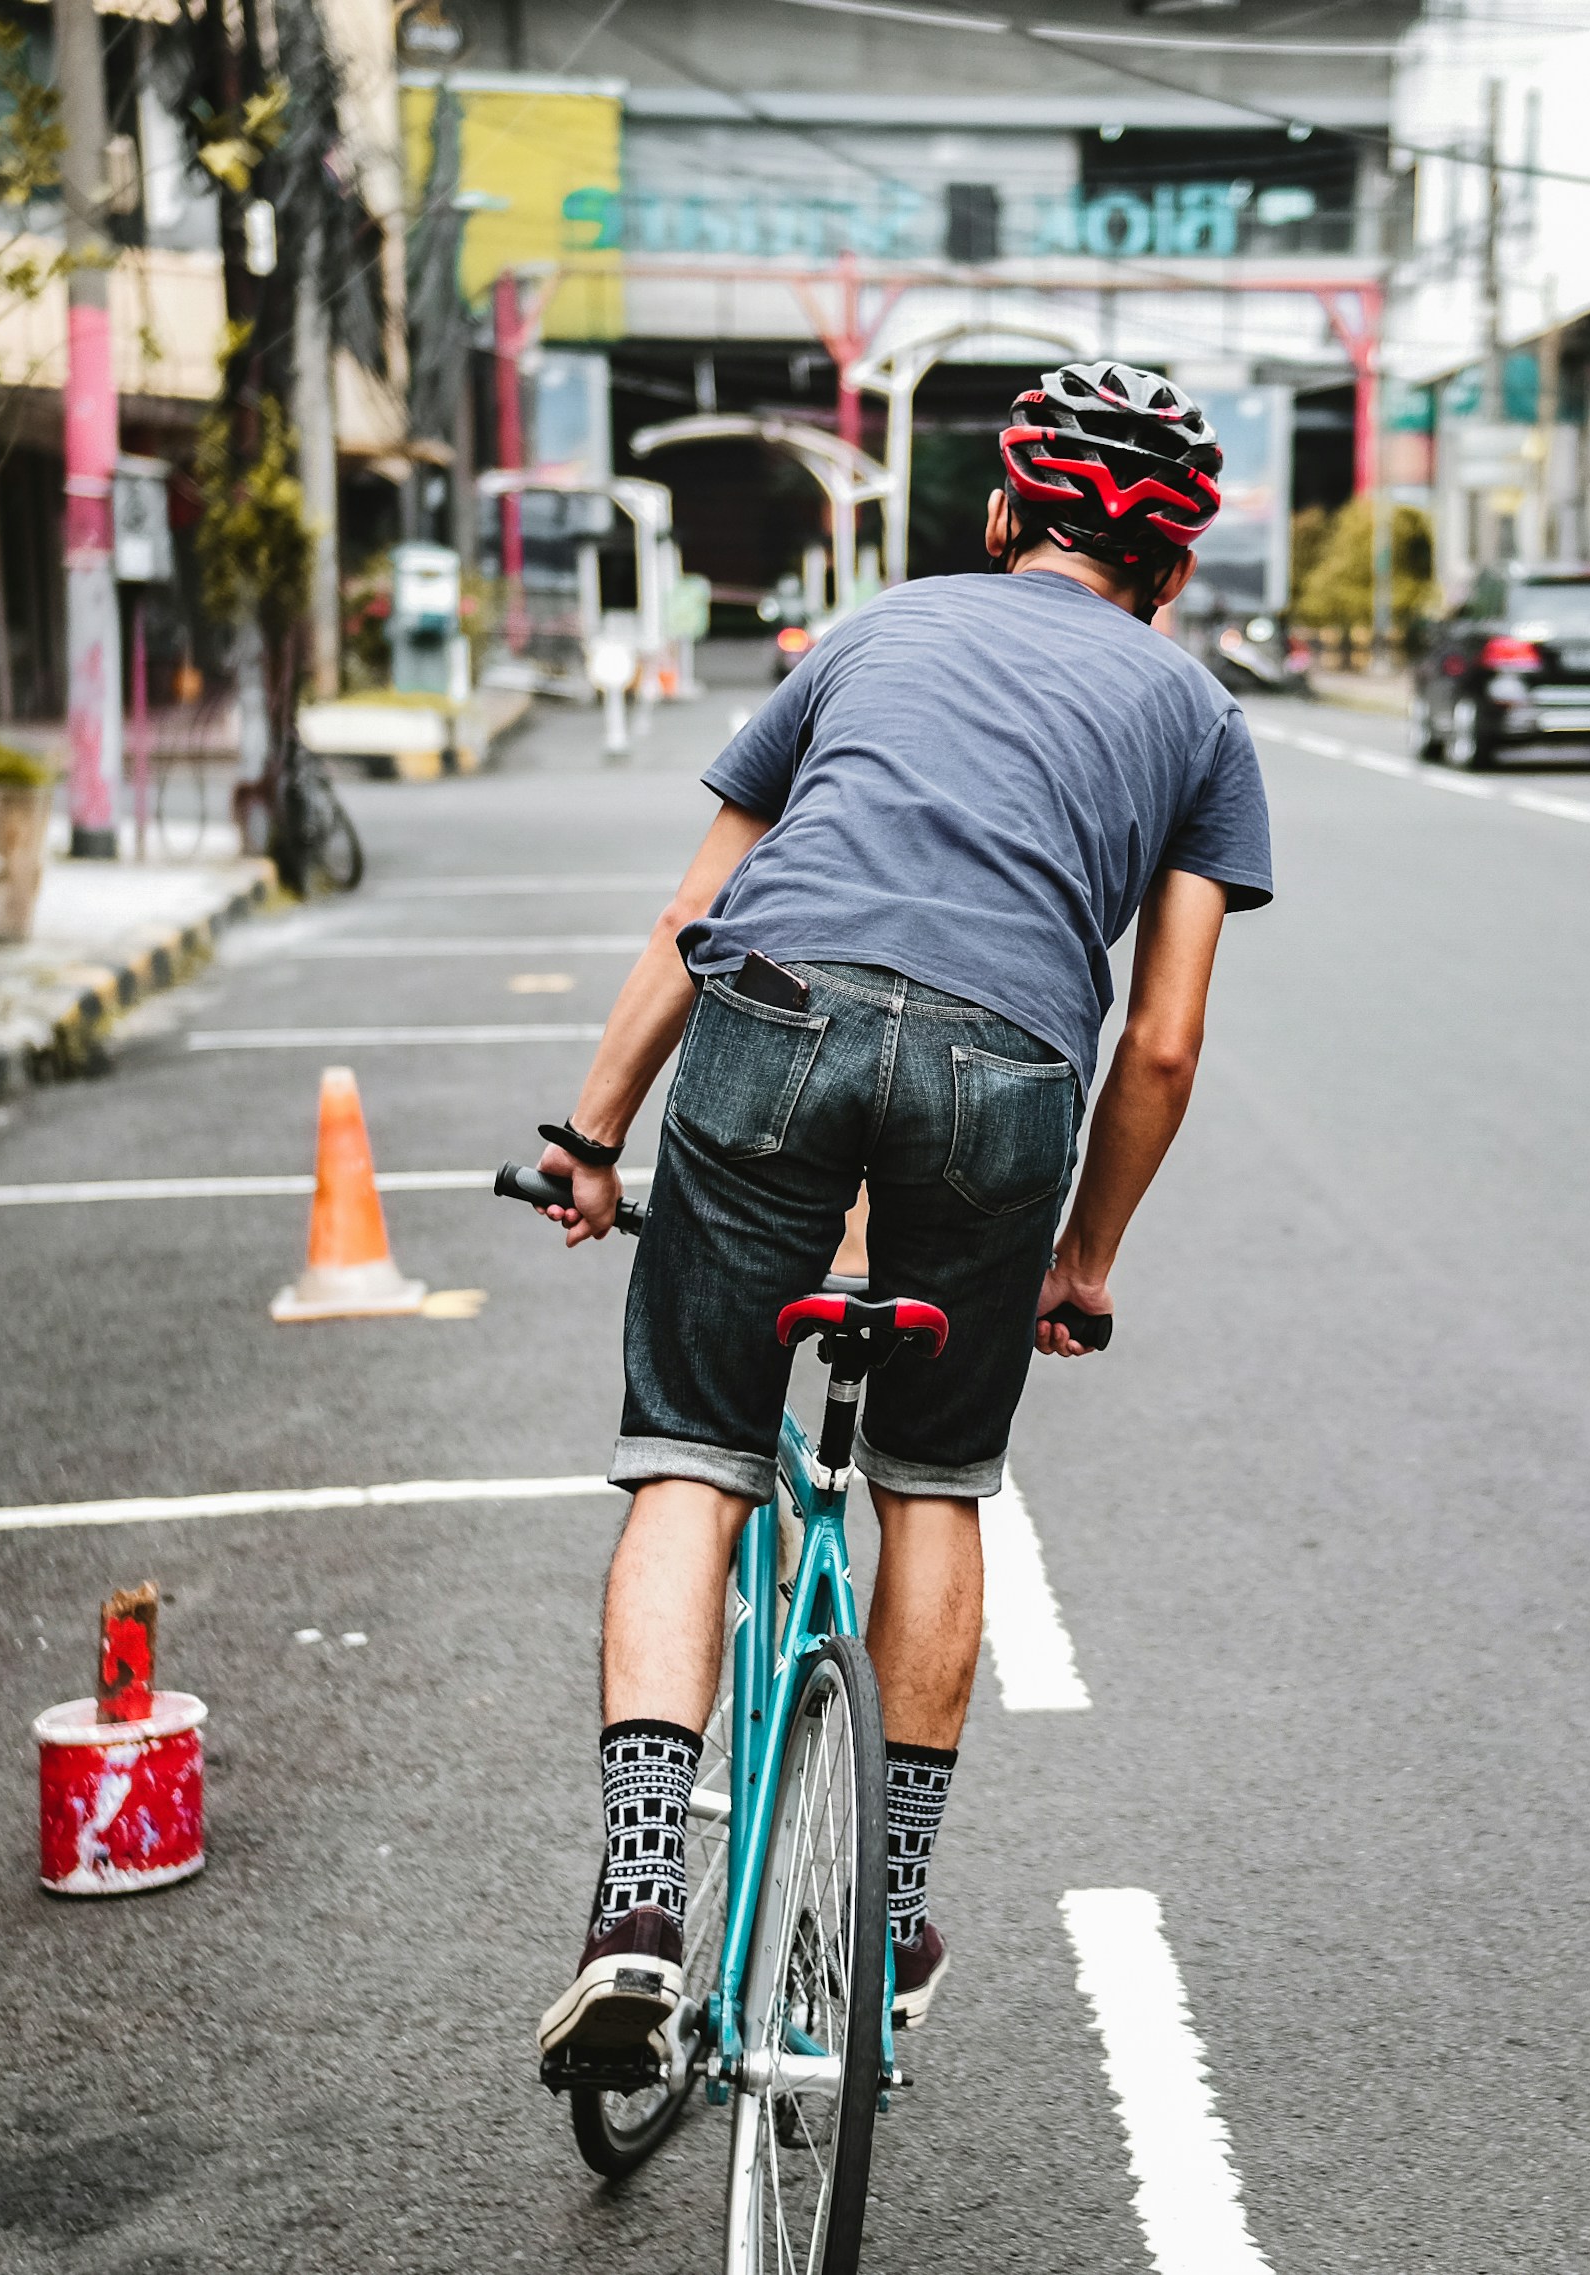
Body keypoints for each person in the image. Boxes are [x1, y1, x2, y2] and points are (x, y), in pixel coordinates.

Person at [528, 362, 1273, 2079]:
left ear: (1003, 516)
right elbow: (1159, 1040)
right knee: (933, 1486)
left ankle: (640, 1899)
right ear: (1165, 573)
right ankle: (882, 1909)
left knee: (690, 1462)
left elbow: (691, 910)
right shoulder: (1198, 719)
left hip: (772, 1021)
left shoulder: (865, 637)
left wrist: (588, 1137)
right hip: (1006, 1077)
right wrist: (1081, 1260)